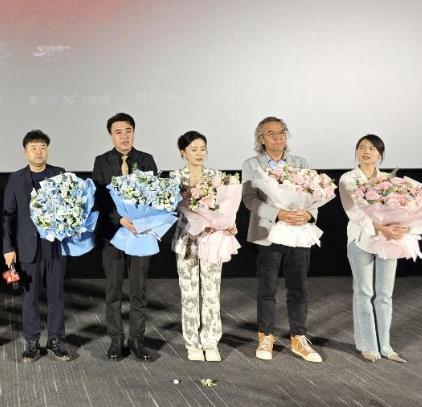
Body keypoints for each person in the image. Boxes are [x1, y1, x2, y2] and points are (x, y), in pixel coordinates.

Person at [242, 116, 321, 363]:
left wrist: (309, 214)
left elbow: (313, 195)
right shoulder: (251, 164)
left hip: (298, 231)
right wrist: (278, 213)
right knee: (267, 288)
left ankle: (299, 336)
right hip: (268, 233)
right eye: (271, 133)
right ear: (261, 138)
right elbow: (250, 199)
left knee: (298, 287)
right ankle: (266, 335)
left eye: (281, 132)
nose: (277, 137)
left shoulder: (300, 163)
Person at [339, 134, 417, 363]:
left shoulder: (390, 180)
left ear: (380, 154)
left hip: (388, 242)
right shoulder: (348, 179)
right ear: (356, 151)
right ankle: (367, 345)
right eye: (362, 147)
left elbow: (405, 209)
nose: (366, 152)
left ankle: (385, 346)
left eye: (372, 148)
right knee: (364, 293)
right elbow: (354, 212)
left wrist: (402, 227)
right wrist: (382, 228)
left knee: (384, 295)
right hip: (361, 239)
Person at [92, 113, 157, 361]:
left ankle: (137, 339)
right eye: (118, 132)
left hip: (140, 233)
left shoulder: (146, 160)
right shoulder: (102, 161)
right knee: (113, 289)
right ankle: (116, 339)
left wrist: (139, 220)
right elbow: (99, 198)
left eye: (128, 131)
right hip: (113, 233)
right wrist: (119, 219)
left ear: (134, 132)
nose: (124, 136)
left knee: (139, 289)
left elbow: (154, 196)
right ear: (111, 135)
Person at [2, 130, 70, 363]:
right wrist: (8, 248)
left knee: (56, 295)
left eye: (42, 147)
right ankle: (32, 341)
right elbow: (8, 216)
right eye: (34, 148)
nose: (39, 152)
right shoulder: (16, 178)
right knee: (29, 297)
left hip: (55, 246)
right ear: (25, 152)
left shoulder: (59, 174)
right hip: (27, 246)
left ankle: (56, 340)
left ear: (47, 150)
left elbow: (70, 206)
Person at [170, 131, 235, 362]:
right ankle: (192, 343)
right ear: (183, 152)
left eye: (203, 149)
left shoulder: (216, 176)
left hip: (212, 239)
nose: (199, 153)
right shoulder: (175, 177)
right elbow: (171, 208)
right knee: (189, 293)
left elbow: (227, 205)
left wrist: (225, 224)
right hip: (186, 238)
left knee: (211, 291)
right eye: (194, 149)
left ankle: (210, 341)